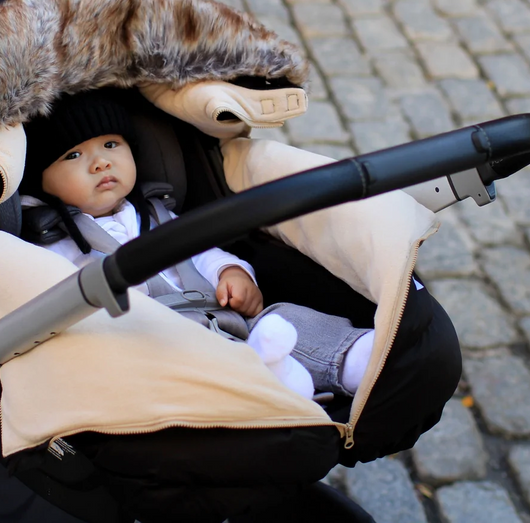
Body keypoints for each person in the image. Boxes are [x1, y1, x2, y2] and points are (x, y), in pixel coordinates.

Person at [19, 89, 375, 401]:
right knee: (206, 369)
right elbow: (63, 304)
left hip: (223, 322)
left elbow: (201, 252)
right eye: (73, 156)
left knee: (284, 320)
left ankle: (353, 357)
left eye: (111, 145)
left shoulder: (155, 212)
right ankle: (274, 385)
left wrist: (231, 272)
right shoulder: (57, 244)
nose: (100, 162)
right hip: (158, 346)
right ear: (42, 182)